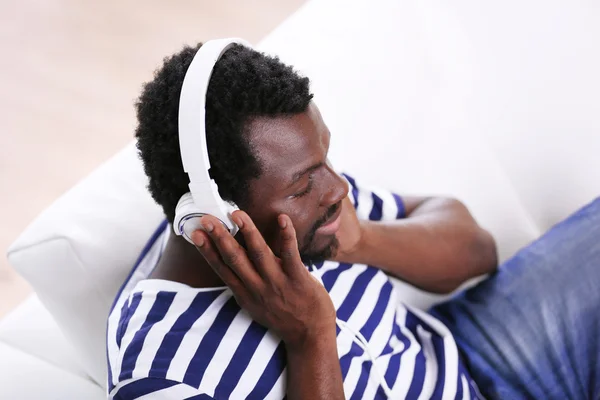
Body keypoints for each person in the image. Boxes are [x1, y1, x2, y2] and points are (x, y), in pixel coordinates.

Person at [106, 42, 600, 399]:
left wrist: (361, 241)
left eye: (325, 158)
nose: (337, 189)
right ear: (211, 217)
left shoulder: (315, 208)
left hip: (475, 358)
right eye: (303, 185)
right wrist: (311, 337)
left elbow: (477, 252)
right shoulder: (162, 374)